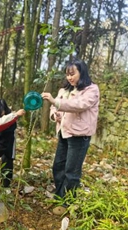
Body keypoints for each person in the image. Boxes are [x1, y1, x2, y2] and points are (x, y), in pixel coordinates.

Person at [42, 60, 100, 205]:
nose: (70, 78)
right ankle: (60, 196)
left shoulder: (91, 90)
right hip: (64, 132)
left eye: (73, 74)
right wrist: (55, 114)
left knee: (72, 172)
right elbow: (54, 108)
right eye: (67, 74)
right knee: (58, 166)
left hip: (79, 136)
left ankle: (67, 203)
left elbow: (79, 105)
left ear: (82, 72)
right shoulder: (64, 90)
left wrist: (55, 102)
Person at [0, 99, 17, 188]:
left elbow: (2, 145)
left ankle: (6, 184)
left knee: (8, 159)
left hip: (8, 139)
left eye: (3, 112)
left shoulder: (11, 117)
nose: (2, 114)